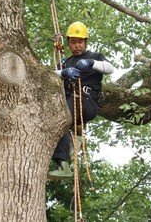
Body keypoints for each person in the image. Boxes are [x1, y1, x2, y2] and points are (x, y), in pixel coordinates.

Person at [48, 21, 114, 179]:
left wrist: (92, 64)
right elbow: (50, 75)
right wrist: (64, 73)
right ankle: (72, 142)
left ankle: (63, 164)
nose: (77, 45)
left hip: (88, 101)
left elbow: (110, 68)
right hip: (72, 101)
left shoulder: (94, 57)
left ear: (85, 42)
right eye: (73, 42)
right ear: (69, 43)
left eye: (80, 42)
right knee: (57, 118)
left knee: (60, 116)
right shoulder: (65, 62)